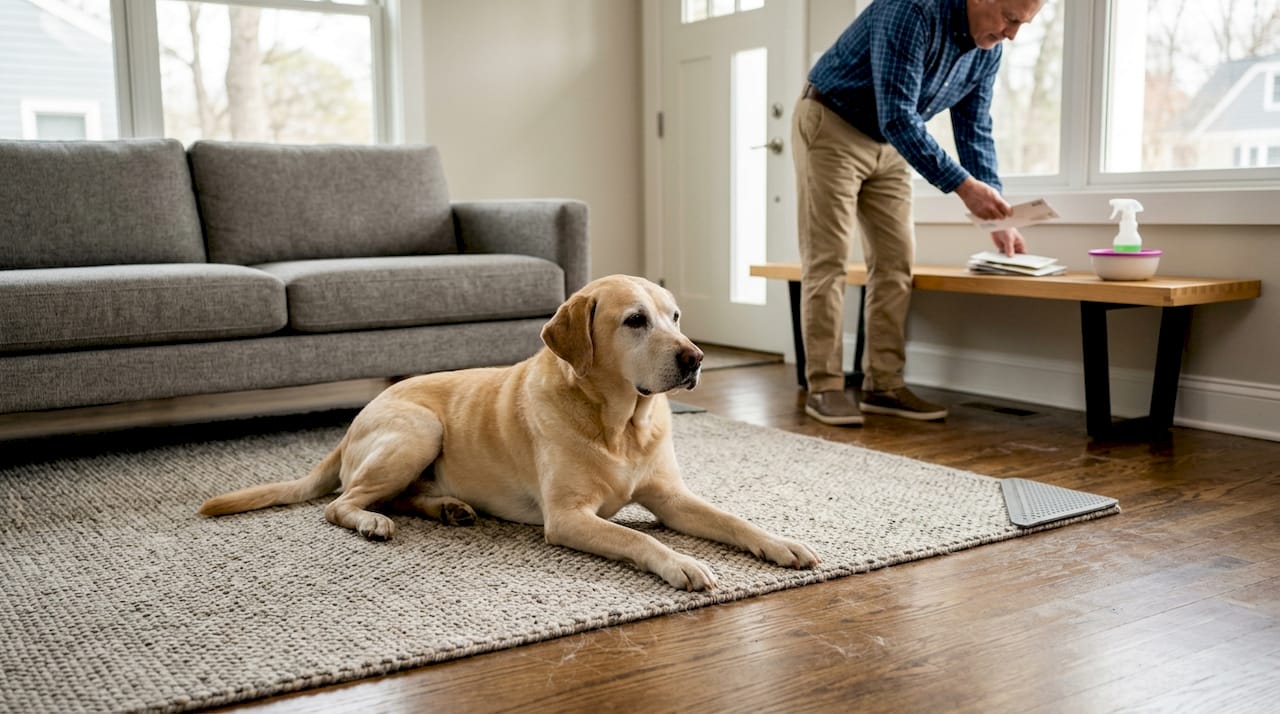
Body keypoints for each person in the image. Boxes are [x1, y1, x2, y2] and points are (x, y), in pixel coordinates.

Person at [791, 0, 1045, 427]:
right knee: (828, 260)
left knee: (896, 262)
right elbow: (899, 116)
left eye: (1023, 24)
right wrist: (965, 189)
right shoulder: (911, 10)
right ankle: (825, 387)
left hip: (889, 144)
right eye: (1010, 18)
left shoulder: (989, 51)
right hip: (832, 121)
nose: (1013, 34)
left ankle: (884, 385)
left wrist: (996, 218)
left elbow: (974, 128)